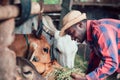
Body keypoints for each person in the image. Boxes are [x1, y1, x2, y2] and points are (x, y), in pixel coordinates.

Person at [60, 10, 120, 80]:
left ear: (80, 25)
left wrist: (87, 78)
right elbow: (95, 58)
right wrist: (87, 75)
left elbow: (111, 63)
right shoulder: (92, 35)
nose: (72, 38)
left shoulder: (100, 30)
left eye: (71, 33)